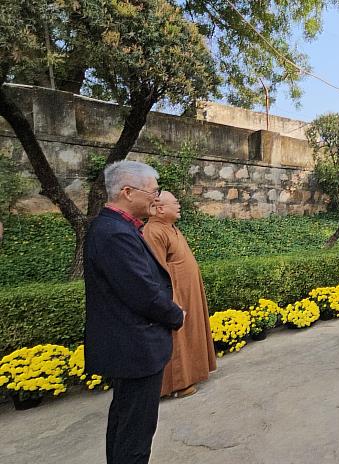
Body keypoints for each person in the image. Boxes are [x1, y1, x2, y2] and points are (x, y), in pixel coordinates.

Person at [84, 160, 185, 464]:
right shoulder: (114, 233)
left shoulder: (116, 227)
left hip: (130, 345)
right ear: (128, 192)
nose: (156, 198)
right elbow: (142, 292)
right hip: (134, 347)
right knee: (135, 433)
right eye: (152, 192)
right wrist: (175, 314)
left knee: (125, 423)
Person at [143, 191, 217, 399]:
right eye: (175, 203)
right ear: (160, 208)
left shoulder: (170, 228)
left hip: (188, 293)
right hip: (175, 295)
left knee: (191, 333)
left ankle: (191, 374)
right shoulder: (153, 231)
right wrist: (169, 302)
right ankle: (177, 384)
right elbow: (156, 271)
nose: (179, 206)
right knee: (177, 338)